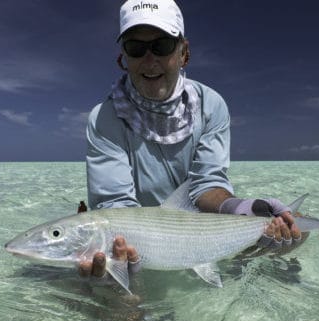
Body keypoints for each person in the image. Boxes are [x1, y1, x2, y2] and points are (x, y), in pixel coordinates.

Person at [80, 0, 304, 280]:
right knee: (121, 311)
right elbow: (115, 206)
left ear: (184, 53)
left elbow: (207, 183)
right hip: (143, 240)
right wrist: (124, 252)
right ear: (122, 58)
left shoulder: (212, 105)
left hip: (200, 233)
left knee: (282, 255)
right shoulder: (104, 118)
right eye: (136, 48)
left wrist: (244, 209)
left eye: (161, 45)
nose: (149, 60)